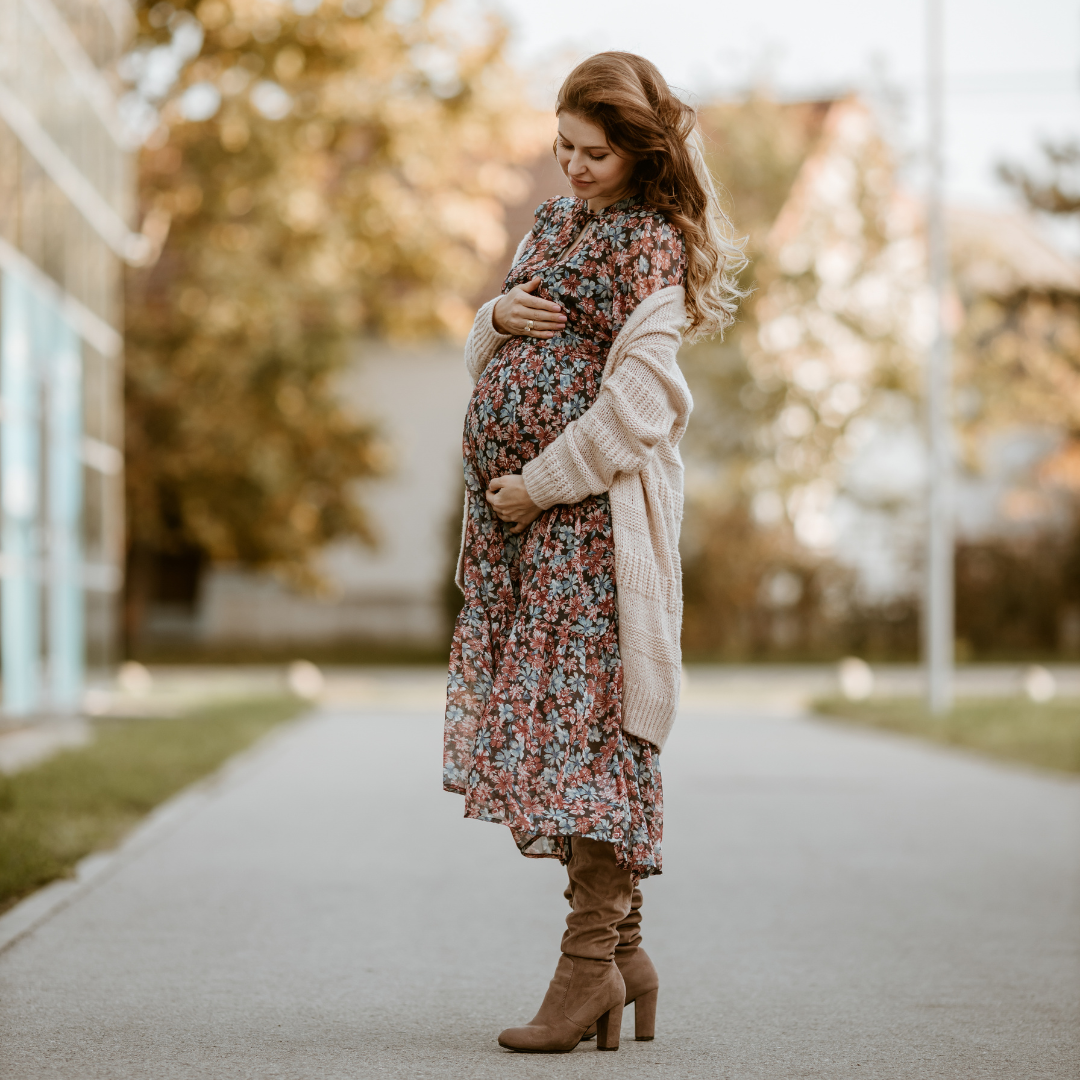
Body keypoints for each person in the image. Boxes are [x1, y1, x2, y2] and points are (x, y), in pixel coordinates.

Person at [443, 51, 745, 1054]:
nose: (570, 166)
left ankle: (587, 973)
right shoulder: (557, 223)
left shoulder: (649, 244)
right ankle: (629, 962)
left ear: (636, 148)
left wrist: (538, 483)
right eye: (562, 146)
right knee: (570, 742)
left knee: (590, 752)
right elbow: (493, 341)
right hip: (535, 545)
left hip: (588, 535)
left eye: (593, 151)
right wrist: (496, 316)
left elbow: (646, 404)